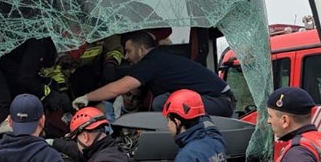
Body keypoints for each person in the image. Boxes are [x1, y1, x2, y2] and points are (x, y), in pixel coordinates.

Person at [73, 31, 236, 117]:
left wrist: (87, 97)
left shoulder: (151, 62)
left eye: (129, 51)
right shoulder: (159, 60)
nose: (126, 57)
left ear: (142, 50)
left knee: (162, 102)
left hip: (219, 102)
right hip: (218, 100)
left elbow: (116, 89)